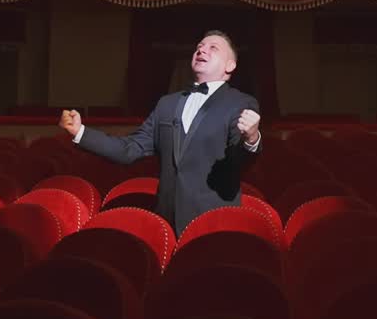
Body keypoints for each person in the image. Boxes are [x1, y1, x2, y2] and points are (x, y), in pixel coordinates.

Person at [59, 30, 261, 235]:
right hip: (167, 221)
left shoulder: (240, 103)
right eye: (200, 46)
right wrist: (80, 132)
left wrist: (252, 138)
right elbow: (130, 149)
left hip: (214, 221)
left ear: (230, 66)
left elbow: (239, 163)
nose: (202, 49)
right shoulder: (167, 103)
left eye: (213, 48)